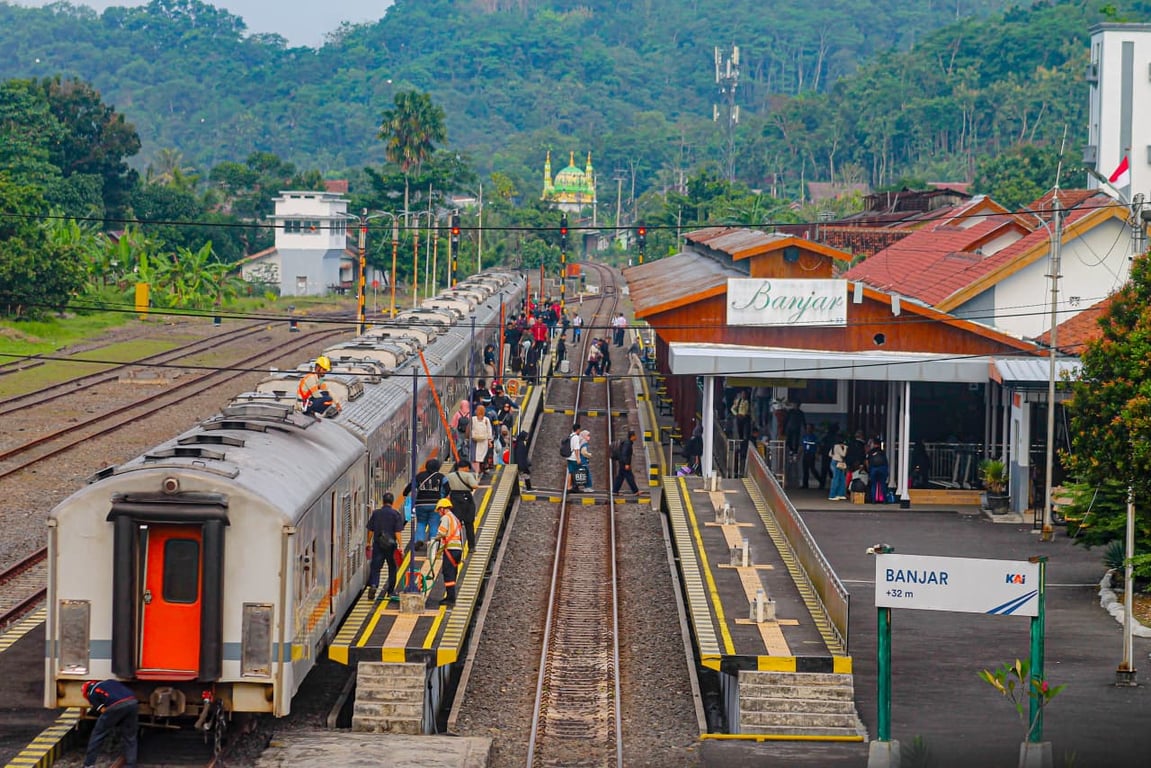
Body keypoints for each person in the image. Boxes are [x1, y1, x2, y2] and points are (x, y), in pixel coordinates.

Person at [81, 679, 139, 768]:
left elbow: (103, 710)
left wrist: (112, 720)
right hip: (133, 702)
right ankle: (131, 765)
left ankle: (88, 764)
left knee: (98, 734)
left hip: (116, 706)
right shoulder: (110, 681)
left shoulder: (91, 693)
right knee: (130, 736)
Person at [366, 492, 404, 601]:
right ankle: (390, 591)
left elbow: (370, 530)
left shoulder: (376, 513)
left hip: (378, 544)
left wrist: (368, 542)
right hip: (391, 546)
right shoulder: (396, 514)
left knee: (375, 567)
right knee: (392, 567)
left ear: (383, 501)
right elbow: (397, 532)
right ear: (392, 502)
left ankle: (374, 584)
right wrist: (401, 546)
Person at [402, 458, 445, 549]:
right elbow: (447, 487)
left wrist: (405, 494)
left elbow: (411, 486)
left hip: (420, 504)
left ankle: (419, 540)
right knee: (434, 523)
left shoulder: (419, 476)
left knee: (421, 522)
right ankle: (433, 543)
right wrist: (442, 496)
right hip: (435, 504)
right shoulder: (441, 476)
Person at [433, 497, 465, 606]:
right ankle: (451, 595)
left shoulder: (446, 518)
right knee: (453, 572)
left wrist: (435, 539)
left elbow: (442, 533)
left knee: (448, 573)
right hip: (458, 550)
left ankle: (450, 598)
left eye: (439, 511)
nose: (438, 513)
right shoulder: (454, 518)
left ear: (442, 509)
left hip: (450, 550)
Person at [443, 463, 480, 551]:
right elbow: (475, 485)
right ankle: (471, 547)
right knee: (469, 524)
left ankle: (456, 545)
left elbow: (445, 488)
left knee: (456, 524)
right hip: (467, 499)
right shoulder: (468, 475)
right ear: (465, 467)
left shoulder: (449, 476)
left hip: (454, 499)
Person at [612, 429, 639, 496]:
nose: (636, 437)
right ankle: (635, 491)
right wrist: (627, 464)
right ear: (632, 436)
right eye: (635, 436)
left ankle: (615, 491)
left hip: (622, 462)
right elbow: (625, 454)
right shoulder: (628, 444)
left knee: (620, 477)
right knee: (630, 477)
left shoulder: (628, 442)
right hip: (624, 463)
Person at [470, 405, 494, 475]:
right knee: (481, 456)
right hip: (483, 441)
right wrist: (489, 441)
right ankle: (480, 469)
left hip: (475, 440)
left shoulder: (473, 419)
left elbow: (470, 429)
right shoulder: (486, 420)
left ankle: (477, 471)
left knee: (475, 457)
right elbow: (489, 430)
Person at [867, 437, 890, 503]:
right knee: (883, 484)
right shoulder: (882, 452)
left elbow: (867, 461)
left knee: (873, 485)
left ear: (874, 444)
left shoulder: (870, 452)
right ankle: (885, 500)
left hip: (873, 468)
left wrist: (869, 470)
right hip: (882, 468)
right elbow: (885, 462)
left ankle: (873, 500)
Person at [801, 424, 822, 489]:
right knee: (805, 470)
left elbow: (817, 446)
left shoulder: (814, 437)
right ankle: (805, 485)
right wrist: (798, 455)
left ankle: (821, 481)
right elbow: (801, 446)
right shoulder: (804, 436)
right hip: (805, 454)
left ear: (812, 429)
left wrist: (817, 454)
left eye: (809, 428)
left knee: (812, 469)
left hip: (811, 454)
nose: (808, 429)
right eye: (807, 428)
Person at [828, 436, 848, 501]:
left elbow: (830, 454)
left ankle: (840, 494)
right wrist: (845, 448)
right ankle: (832, 495)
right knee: (836, 479)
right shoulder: (838, 446)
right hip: (837, 462)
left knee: (841, 478)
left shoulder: (833, 446)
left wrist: (835, 455)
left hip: (834, 461)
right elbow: (843, 454)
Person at [567, 422, 584, 491]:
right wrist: (578, 459)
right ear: (577, 429)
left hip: (569, 457)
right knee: (576, 472)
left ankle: (569, 486)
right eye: (579, 429)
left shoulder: (570, 436)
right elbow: (576, 449)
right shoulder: (576, 437)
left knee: (570, 472)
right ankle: (575, 487)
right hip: (574, 457)